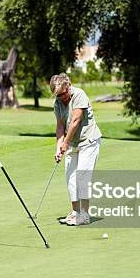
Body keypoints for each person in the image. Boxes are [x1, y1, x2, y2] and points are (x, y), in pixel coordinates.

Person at [51, 73, 102, 226]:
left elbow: (75, 121)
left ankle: (84, 215)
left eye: (64, 93)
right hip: (72, 142)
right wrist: (58, 147)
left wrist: (65, 144)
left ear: (69, 85)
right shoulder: (58, 103)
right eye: (59, 95)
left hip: (88, 141)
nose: (63, 97)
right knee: (71, 177)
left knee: (82, 177)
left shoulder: (79, 94)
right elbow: (60, 126)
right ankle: (75, 212)